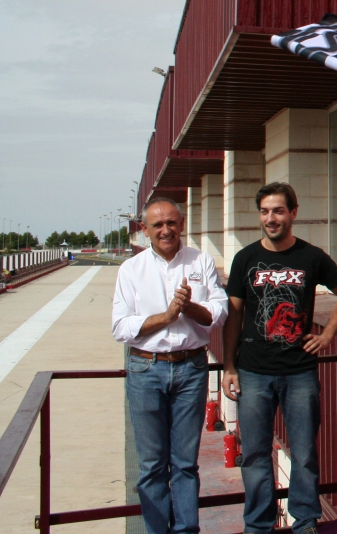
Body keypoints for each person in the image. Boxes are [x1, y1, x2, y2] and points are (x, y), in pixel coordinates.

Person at [222, 182, 337, 534]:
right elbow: (233, 316)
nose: (271, 218)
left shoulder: (311, 257)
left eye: (278, 211)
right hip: (253, 372)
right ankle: (258, 525)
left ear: (293, 213)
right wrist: (229, 366)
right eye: (265, 211)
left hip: (299, 373)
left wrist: (327, 335)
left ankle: (305, 522)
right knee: (254, 454)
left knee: (304, 453)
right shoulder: (245, 258)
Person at [112, 197, 228, 534]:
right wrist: (166, 317)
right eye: (158, 225)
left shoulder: (200, 261)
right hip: (146, 370)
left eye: (172, 223)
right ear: (145, 230)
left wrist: (189, 308)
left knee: (185, 463)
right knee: (151, 465)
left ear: (182, 224)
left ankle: (186, 530)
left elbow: (219, 312)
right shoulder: (131, 270)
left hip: (191, 369)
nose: (166, 230)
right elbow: (121, 328)